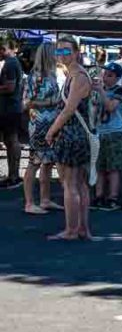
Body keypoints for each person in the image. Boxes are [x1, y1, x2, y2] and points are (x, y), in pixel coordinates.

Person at [45, 35, 93, 241]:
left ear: (76, 53)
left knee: (71, 184)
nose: (62, 55)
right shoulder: (73, 74)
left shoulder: (79, 76)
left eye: (66, 51)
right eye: (59, 51)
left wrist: (50, 131)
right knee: (78, 184)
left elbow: (68, 110)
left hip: (72, 135)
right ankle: (81, 228)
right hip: (73, 134)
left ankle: (72, 230)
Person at [22, 42, 61, 214]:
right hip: (40, 124)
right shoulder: (37, 76)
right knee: (35, 162)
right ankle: (29, 202)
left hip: (50, 124)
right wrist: (52, 102)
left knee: (48, 162)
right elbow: (27, 102)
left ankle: (45, 199)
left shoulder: (50, 74)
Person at [91, 63, 122, 211]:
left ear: (117, 78)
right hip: (100, 131)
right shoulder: (99, 90)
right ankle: (99, 195)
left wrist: (100, 91)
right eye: (105, 74)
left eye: (110, 75)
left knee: (113, 167)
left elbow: (110, 106)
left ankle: (113, 197)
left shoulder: (119, 89)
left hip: (114, 132)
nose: (106, 78)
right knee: (99, 166)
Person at [0, 38, 24, 189]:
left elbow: (10, 87)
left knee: (12, 141)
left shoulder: (10, 63)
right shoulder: (13, 62)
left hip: (10, 109)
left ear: (4, 48)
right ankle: (12, 175)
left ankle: (14, 176)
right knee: (10, 141)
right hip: (11, 108)